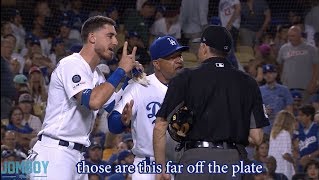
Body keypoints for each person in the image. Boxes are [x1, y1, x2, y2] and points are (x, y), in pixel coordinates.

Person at [153, 25, 269, 180]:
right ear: (227, 51)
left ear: (204, 47)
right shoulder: (249, 82)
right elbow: (257, 137)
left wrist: (161, 169)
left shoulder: (185, 77)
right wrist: (231, 133)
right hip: (232, 162)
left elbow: (160, 125)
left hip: (195, 161)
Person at [29, 15, 137, 179]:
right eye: (110, 36)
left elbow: (114, 122)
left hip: (77, 156)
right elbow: (93, 101)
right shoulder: (71, 63)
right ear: (92, 37)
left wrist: (131, 81)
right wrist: (120, 70)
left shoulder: (98, 76)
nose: (115, 42)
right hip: (55, 152)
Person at [108, 35, 188, 180]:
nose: (179, 60)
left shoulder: (190, 88)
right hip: (147, 166)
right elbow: (113, 125)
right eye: (172, 57)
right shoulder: (140, 85)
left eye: (180, 55)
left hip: (180, 166)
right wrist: (122, 120)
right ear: (157, 64)